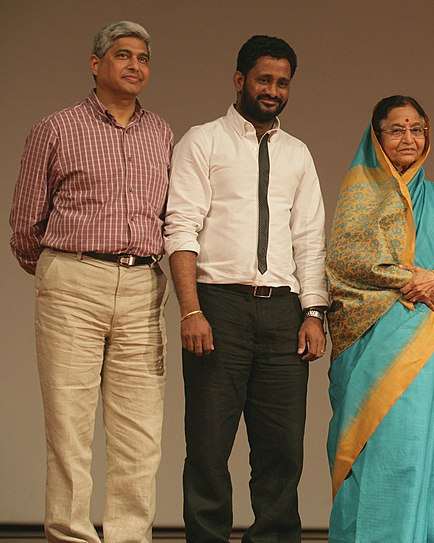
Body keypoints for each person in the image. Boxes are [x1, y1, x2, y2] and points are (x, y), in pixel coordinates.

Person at [9, 21, 172, 543]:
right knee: (69, 426)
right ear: (95, 63)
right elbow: (24, 223)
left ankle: (129, 537)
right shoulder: (55, 128)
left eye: (143, 58)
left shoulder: (161, 132)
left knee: (140, 432)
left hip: (144, 285)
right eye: (123, 55)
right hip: (73, 281)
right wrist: (65, 272)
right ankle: (72, 536)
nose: (134, 66)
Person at [163, 35, 327, 543]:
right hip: (219, 307)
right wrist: (191, 310)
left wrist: (314, 313)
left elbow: (309, 236)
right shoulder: (202, 140)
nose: (273, 90)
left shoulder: (297, 153)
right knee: (209, 446)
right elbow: (181, 226)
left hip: (283, 312)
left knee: (282, 449)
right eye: (264, 79)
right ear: (239, 80)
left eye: (282, 83)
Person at [326, 95, 434, 542]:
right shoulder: (359, 195)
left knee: (420, 450)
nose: (408, 138)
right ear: (377, 137)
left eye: (417, 129)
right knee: (376, 453)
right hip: (373, 344)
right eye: (396, 129)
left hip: (426, 348)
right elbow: (346, 262)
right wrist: (406, 281)